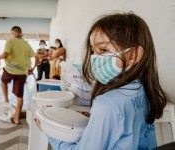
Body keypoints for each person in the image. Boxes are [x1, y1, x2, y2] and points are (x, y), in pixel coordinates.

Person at [35, 12, 168, 149]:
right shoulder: (142, 88)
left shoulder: (106, 104)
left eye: (103, 50)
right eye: (93, 51)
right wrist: (96, 117)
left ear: (133, 55)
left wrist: (50, 132)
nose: (94, 58)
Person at [0, 26, 38, 125]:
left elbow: (5, 55)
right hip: (22, 72)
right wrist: (32, 69)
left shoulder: (10, 41)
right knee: (20, 96)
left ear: (12, 33)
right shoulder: (26, 44)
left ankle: (6, 100)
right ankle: (17, 118)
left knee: (3, 81)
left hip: (9, 70)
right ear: (21, 33)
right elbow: (37, 58)